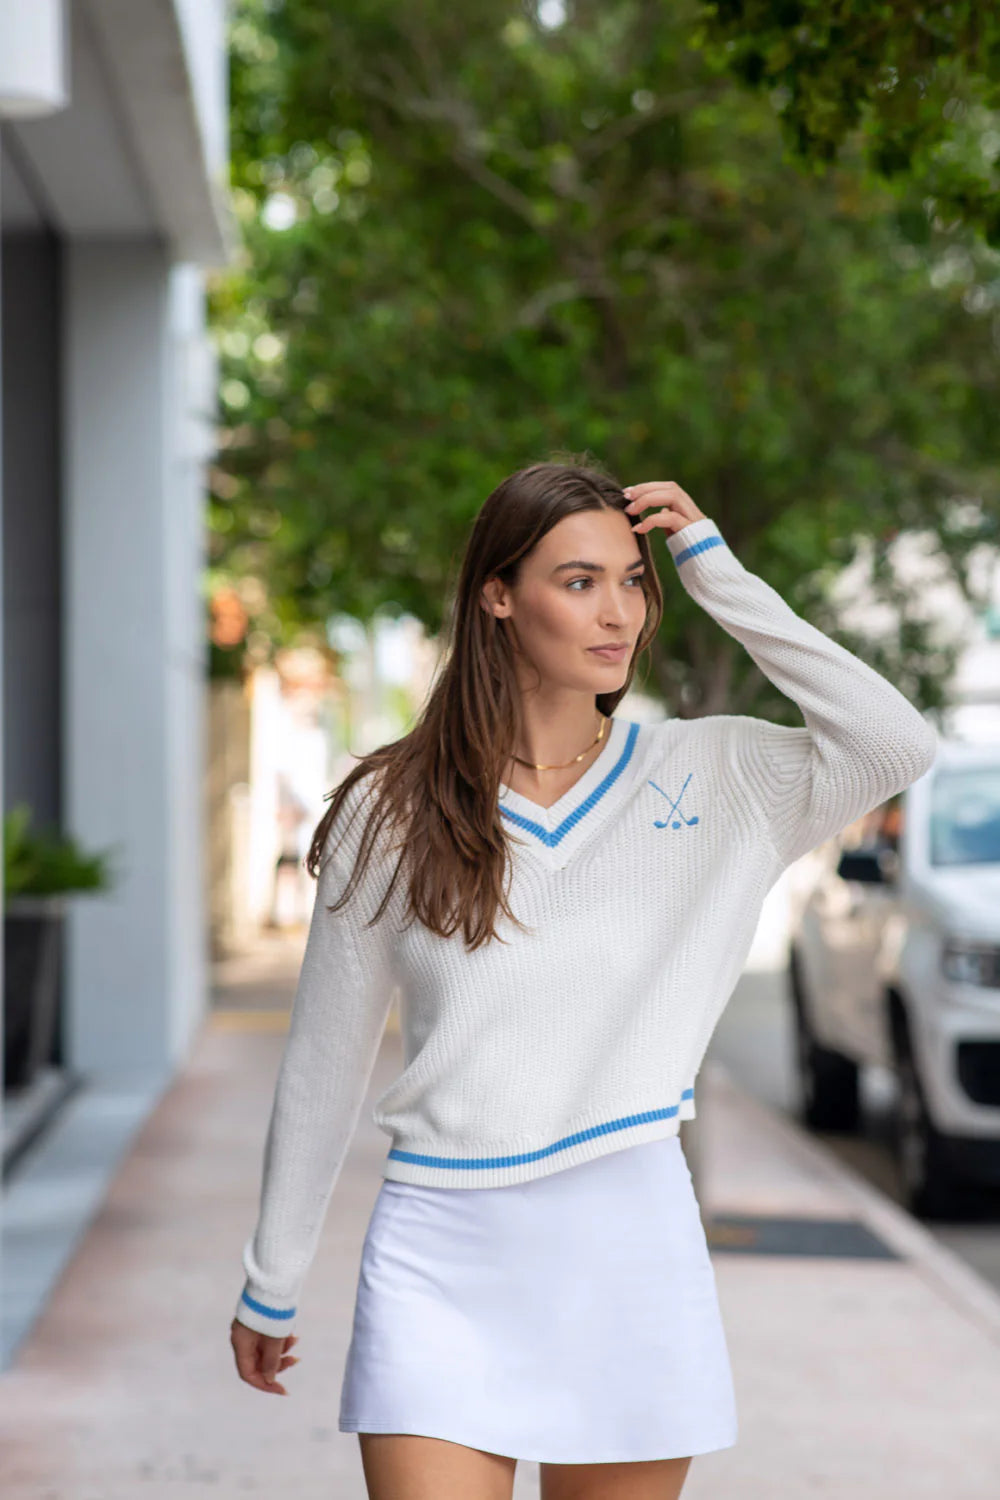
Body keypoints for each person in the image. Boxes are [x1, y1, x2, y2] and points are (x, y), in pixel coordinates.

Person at [229, 461, 938, 1500]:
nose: (619, 613)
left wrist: (714, 572)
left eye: (632, 580)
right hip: (441, 1255)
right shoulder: (394, 807)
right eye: (577, 581)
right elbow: (324, 1061)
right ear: (497, 597)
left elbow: (894, 740)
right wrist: (271, 1281)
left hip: (627, 1250)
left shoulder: (716, 775)